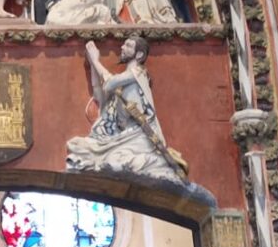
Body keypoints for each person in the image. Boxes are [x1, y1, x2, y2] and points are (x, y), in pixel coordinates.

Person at [67, 37, 189, 181]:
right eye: (124, 44)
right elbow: (100, 94)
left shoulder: (138, 74)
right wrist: (93, 65)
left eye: (128, 45)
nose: (122, 47)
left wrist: (95, 61)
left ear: (139, 55)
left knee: (113, 162)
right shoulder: (123, 81)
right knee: (78, 145)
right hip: (124, 136)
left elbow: (109, 84)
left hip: (141, 137)